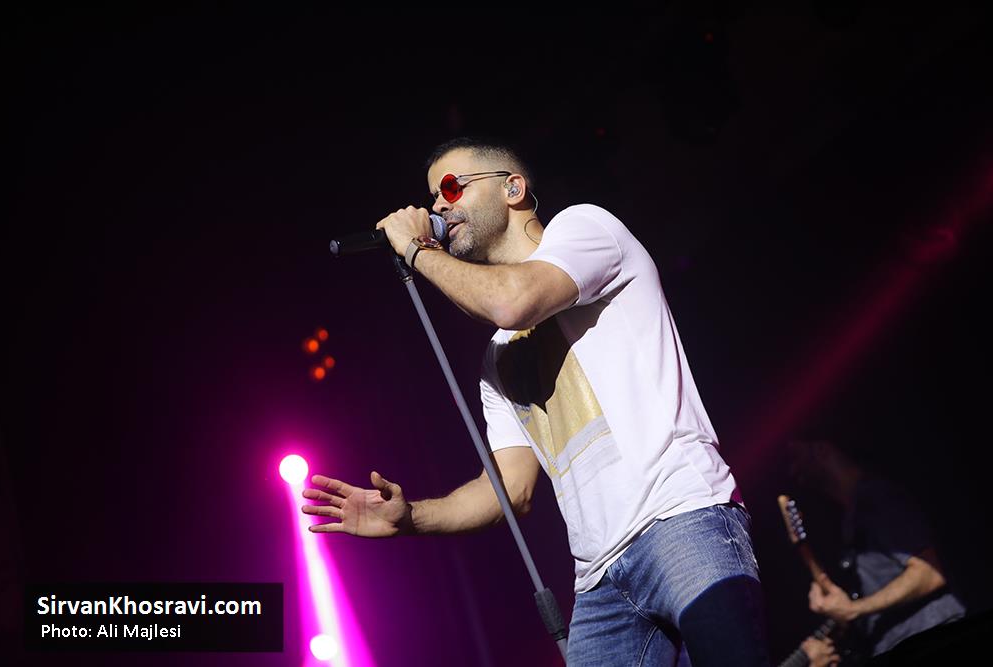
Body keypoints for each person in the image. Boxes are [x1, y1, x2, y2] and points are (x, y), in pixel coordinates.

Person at [302, 137, 770, 665]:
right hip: (599, 580)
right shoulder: (498, 358)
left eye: (451, 188)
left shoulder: (586, 228)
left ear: (513, 188)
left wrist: (416, 250)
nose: (437, 207)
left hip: (681, 517)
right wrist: (411, 517)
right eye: (433, 197)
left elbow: (514, 301)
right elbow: (511, 490)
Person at [787, 438, 966, 659]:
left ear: (821, 449)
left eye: (796, 455)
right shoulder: (850, 517)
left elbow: (930, 572)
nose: (793, 470)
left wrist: (854, 609)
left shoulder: (876, 498)